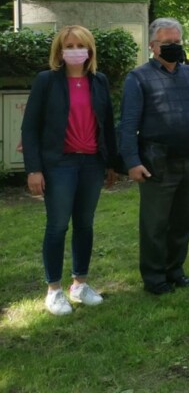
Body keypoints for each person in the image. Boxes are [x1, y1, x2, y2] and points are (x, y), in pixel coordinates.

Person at [21, 26, 117, 315]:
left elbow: (107, 125)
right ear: (59, 51)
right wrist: (34, 169)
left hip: (92, 164)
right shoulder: (47, 81)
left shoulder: (99, 81)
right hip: (59, 164)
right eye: (69, 45)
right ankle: (54, 290)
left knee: (85, 224)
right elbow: (30, 127)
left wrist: (111, 163)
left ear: (90, 50)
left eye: (80, 45)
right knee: (58, 225)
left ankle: (80, 284)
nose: (75, 50)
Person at [119, 18, 189, 295]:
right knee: (155, 223)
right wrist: (132, 161)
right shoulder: (138, 78)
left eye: (177, 42)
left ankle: (175, 270)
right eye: (167, 43)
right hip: (157, 161)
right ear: (153, 46)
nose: (174, 46)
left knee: (185, 220)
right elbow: (127, 124)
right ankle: (155, 278)